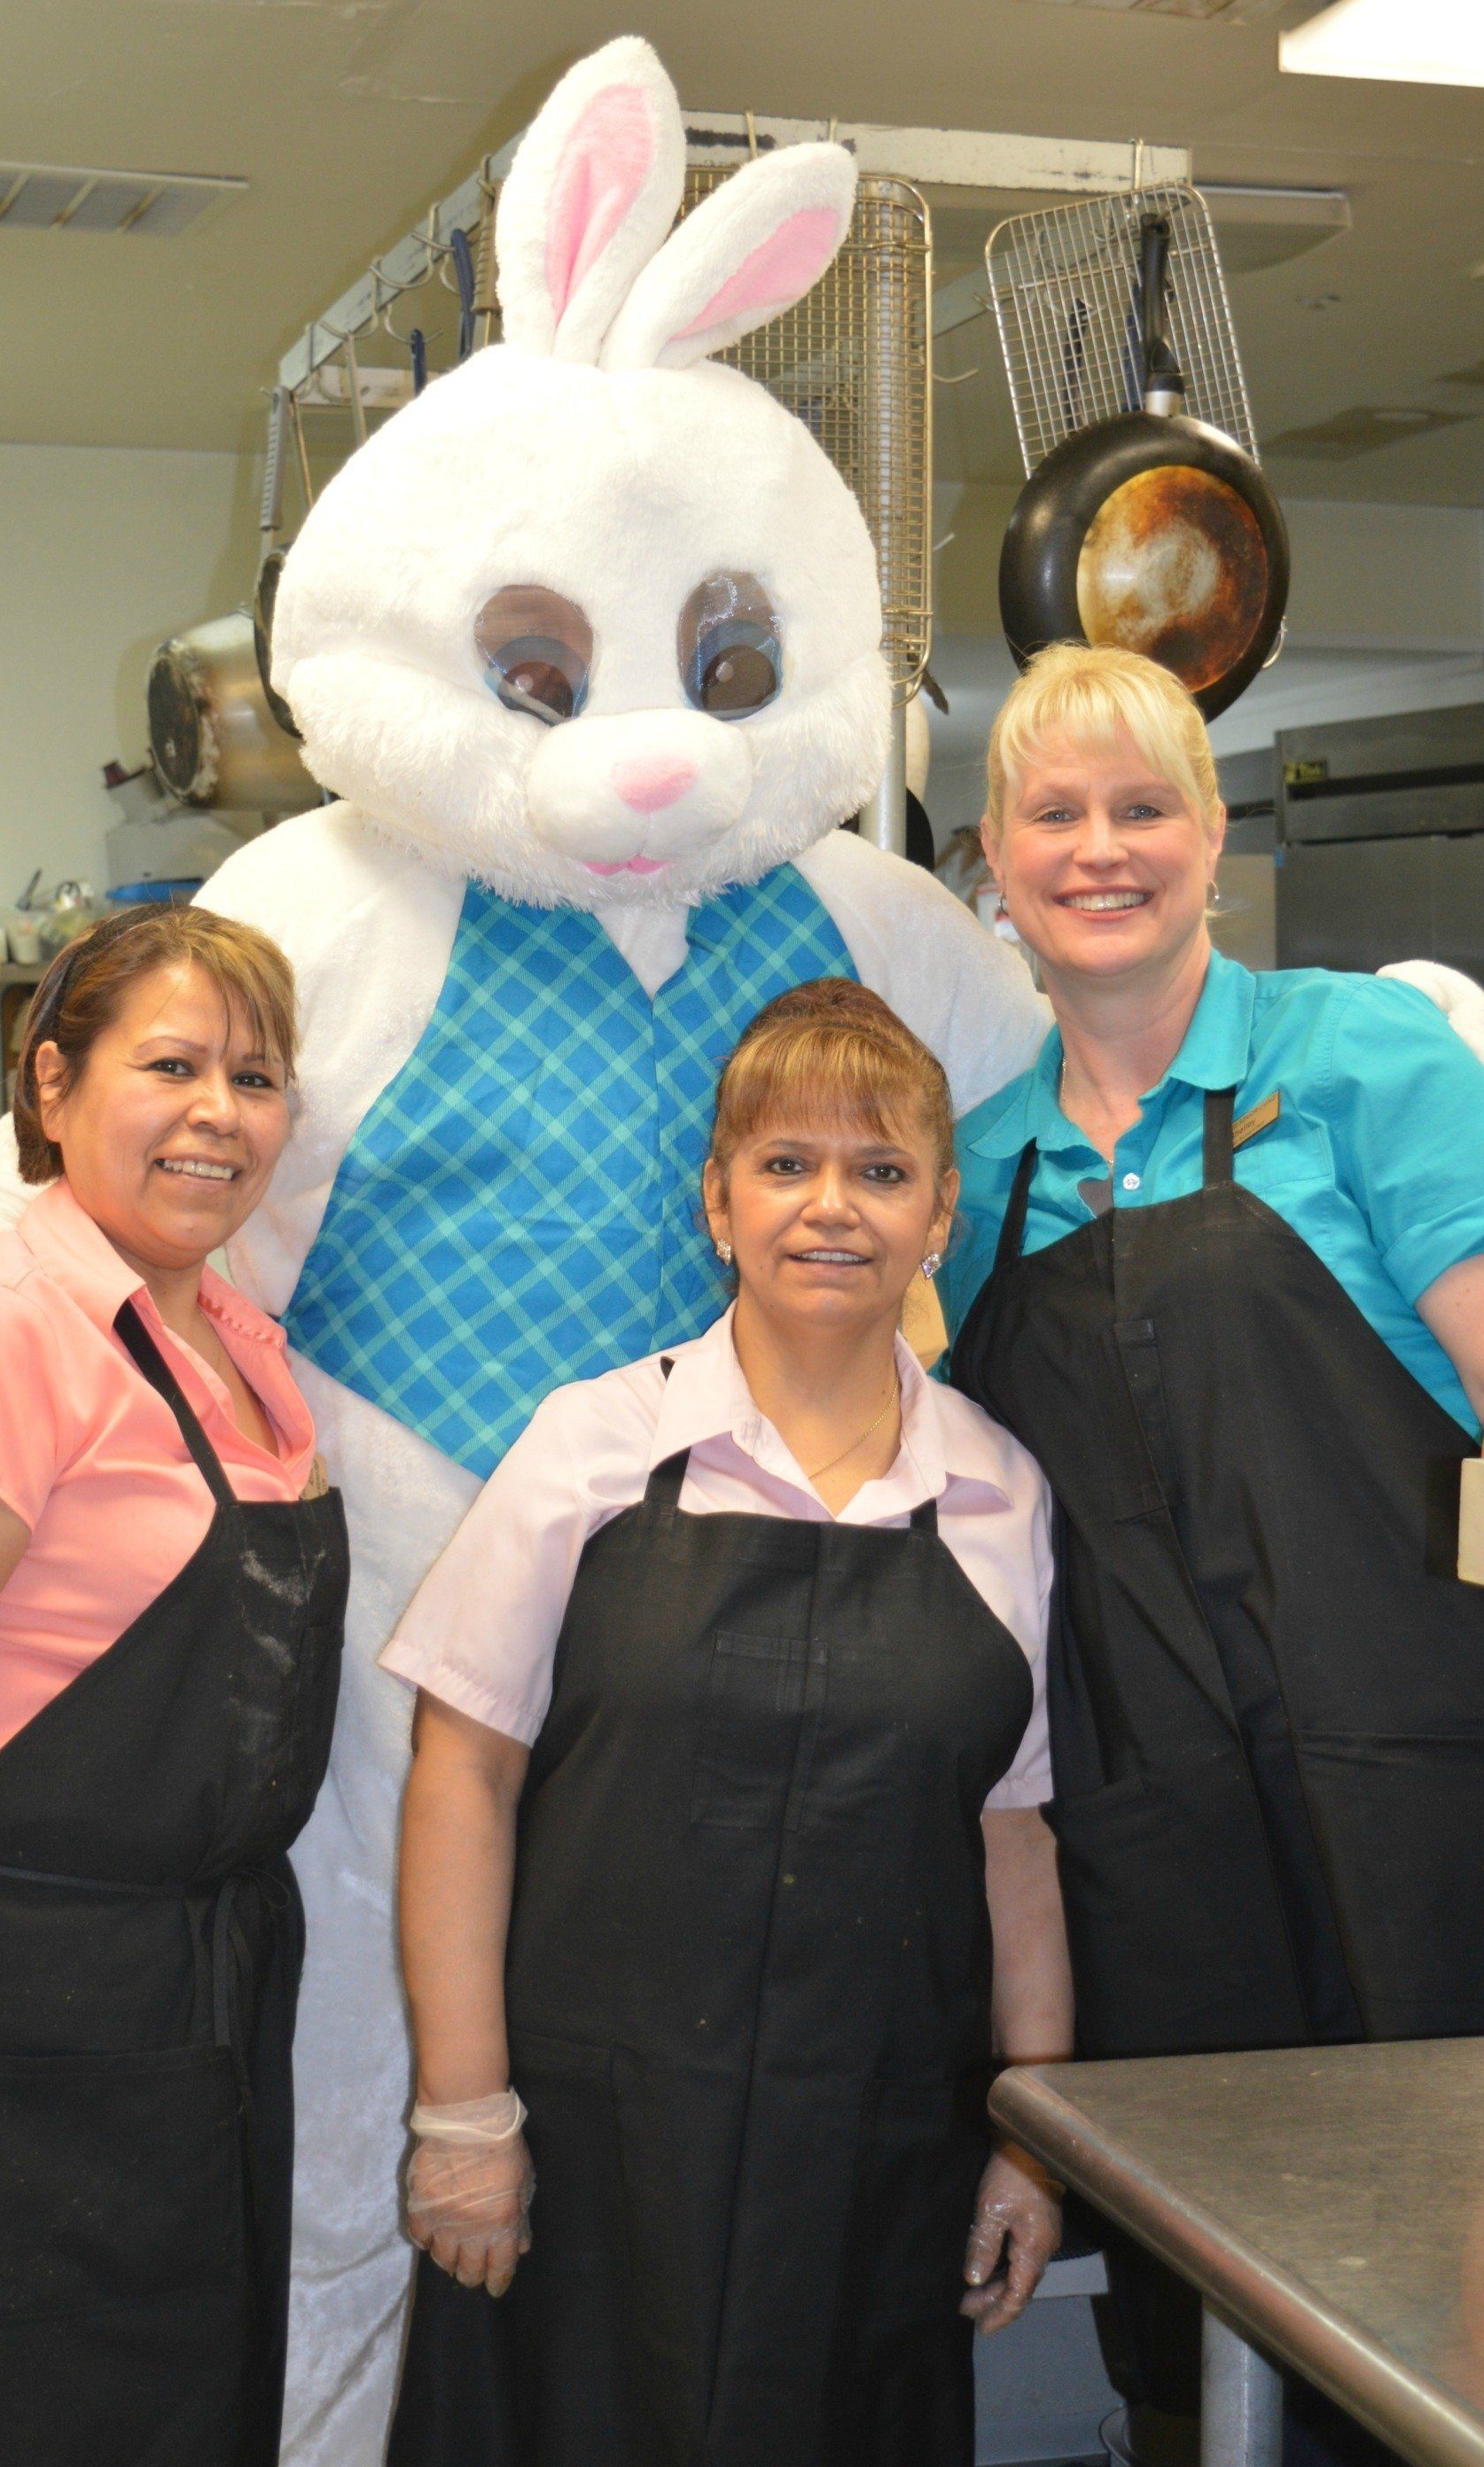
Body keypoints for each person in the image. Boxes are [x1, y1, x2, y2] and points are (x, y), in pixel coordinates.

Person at [378, 978, 1072, 2467]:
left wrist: (1033, 2141)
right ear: (718, 1199)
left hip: (878, 2167)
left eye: (881, 1171)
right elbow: (462, 1782)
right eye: (786, 1163)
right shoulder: (590, 1447)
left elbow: (1013, 1849)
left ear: (941, 1212)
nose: (834, 1207)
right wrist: (462, 2116)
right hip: (585, 2154)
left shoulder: (1004, 1495)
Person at [942, 642, 1484, 2464]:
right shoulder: (982, 1173)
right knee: (1208, 2340)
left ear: (1213, 832)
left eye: (1146, 808)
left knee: (1455, 2304)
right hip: (1143, 1846)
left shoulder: (1360, 1060)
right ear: (993, 854)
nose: (1101, 850)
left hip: (1421, 1811)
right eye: (1056, 814)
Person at [0, 904, 348, 2467]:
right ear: (48, 1088)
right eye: (168, 1065)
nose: (217, 1113)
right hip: (11, 1999)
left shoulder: (227, 1332)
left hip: (202, 1991)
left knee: (186, 2410)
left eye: (255, 1078)